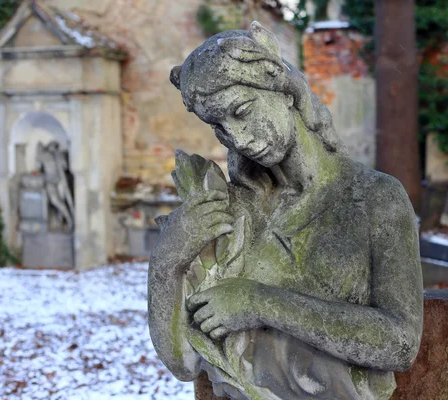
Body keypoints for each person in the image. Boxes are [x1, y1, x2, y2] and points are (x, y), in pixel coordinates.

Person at [148, 22, 423, 400]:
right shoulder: (233, 209)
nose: (238, 138)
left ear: (283, 90)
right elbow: (184, 363)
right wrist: (166, 262)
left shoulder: (374, 198)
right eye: (219, 127)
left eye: (241, 111)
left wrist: (259, 302)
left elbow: (400, 343)